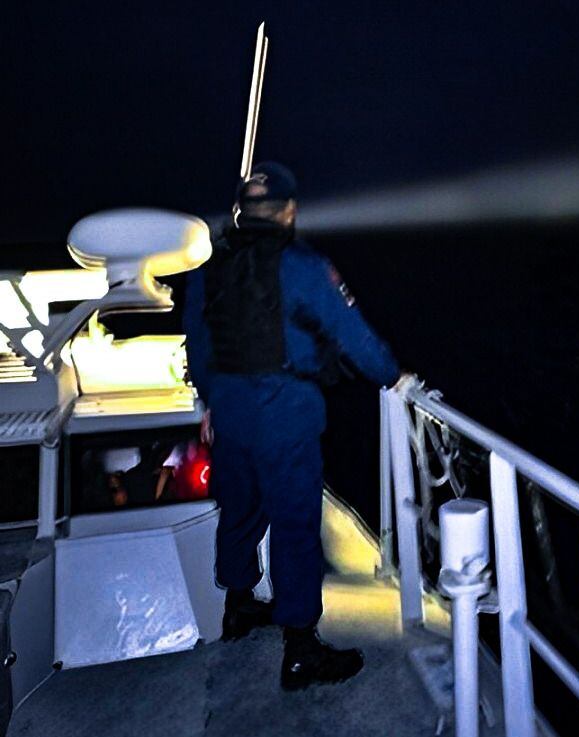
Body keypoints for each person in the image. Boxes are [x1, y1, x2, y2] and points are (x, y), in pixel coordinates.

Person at [183, 161, 403, 691]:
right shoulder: (304, 265)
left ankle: (238, 607)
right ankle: (301, 649)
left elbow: (198, 342)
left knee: (238, 508)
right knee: (295, 527)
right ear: (288, 211)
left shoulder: (209, 267)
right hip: (285, 413)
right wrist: (394, 377)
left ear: (241, 212)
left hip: (230, 411)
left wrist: (212, 402)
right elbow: (352, 335)